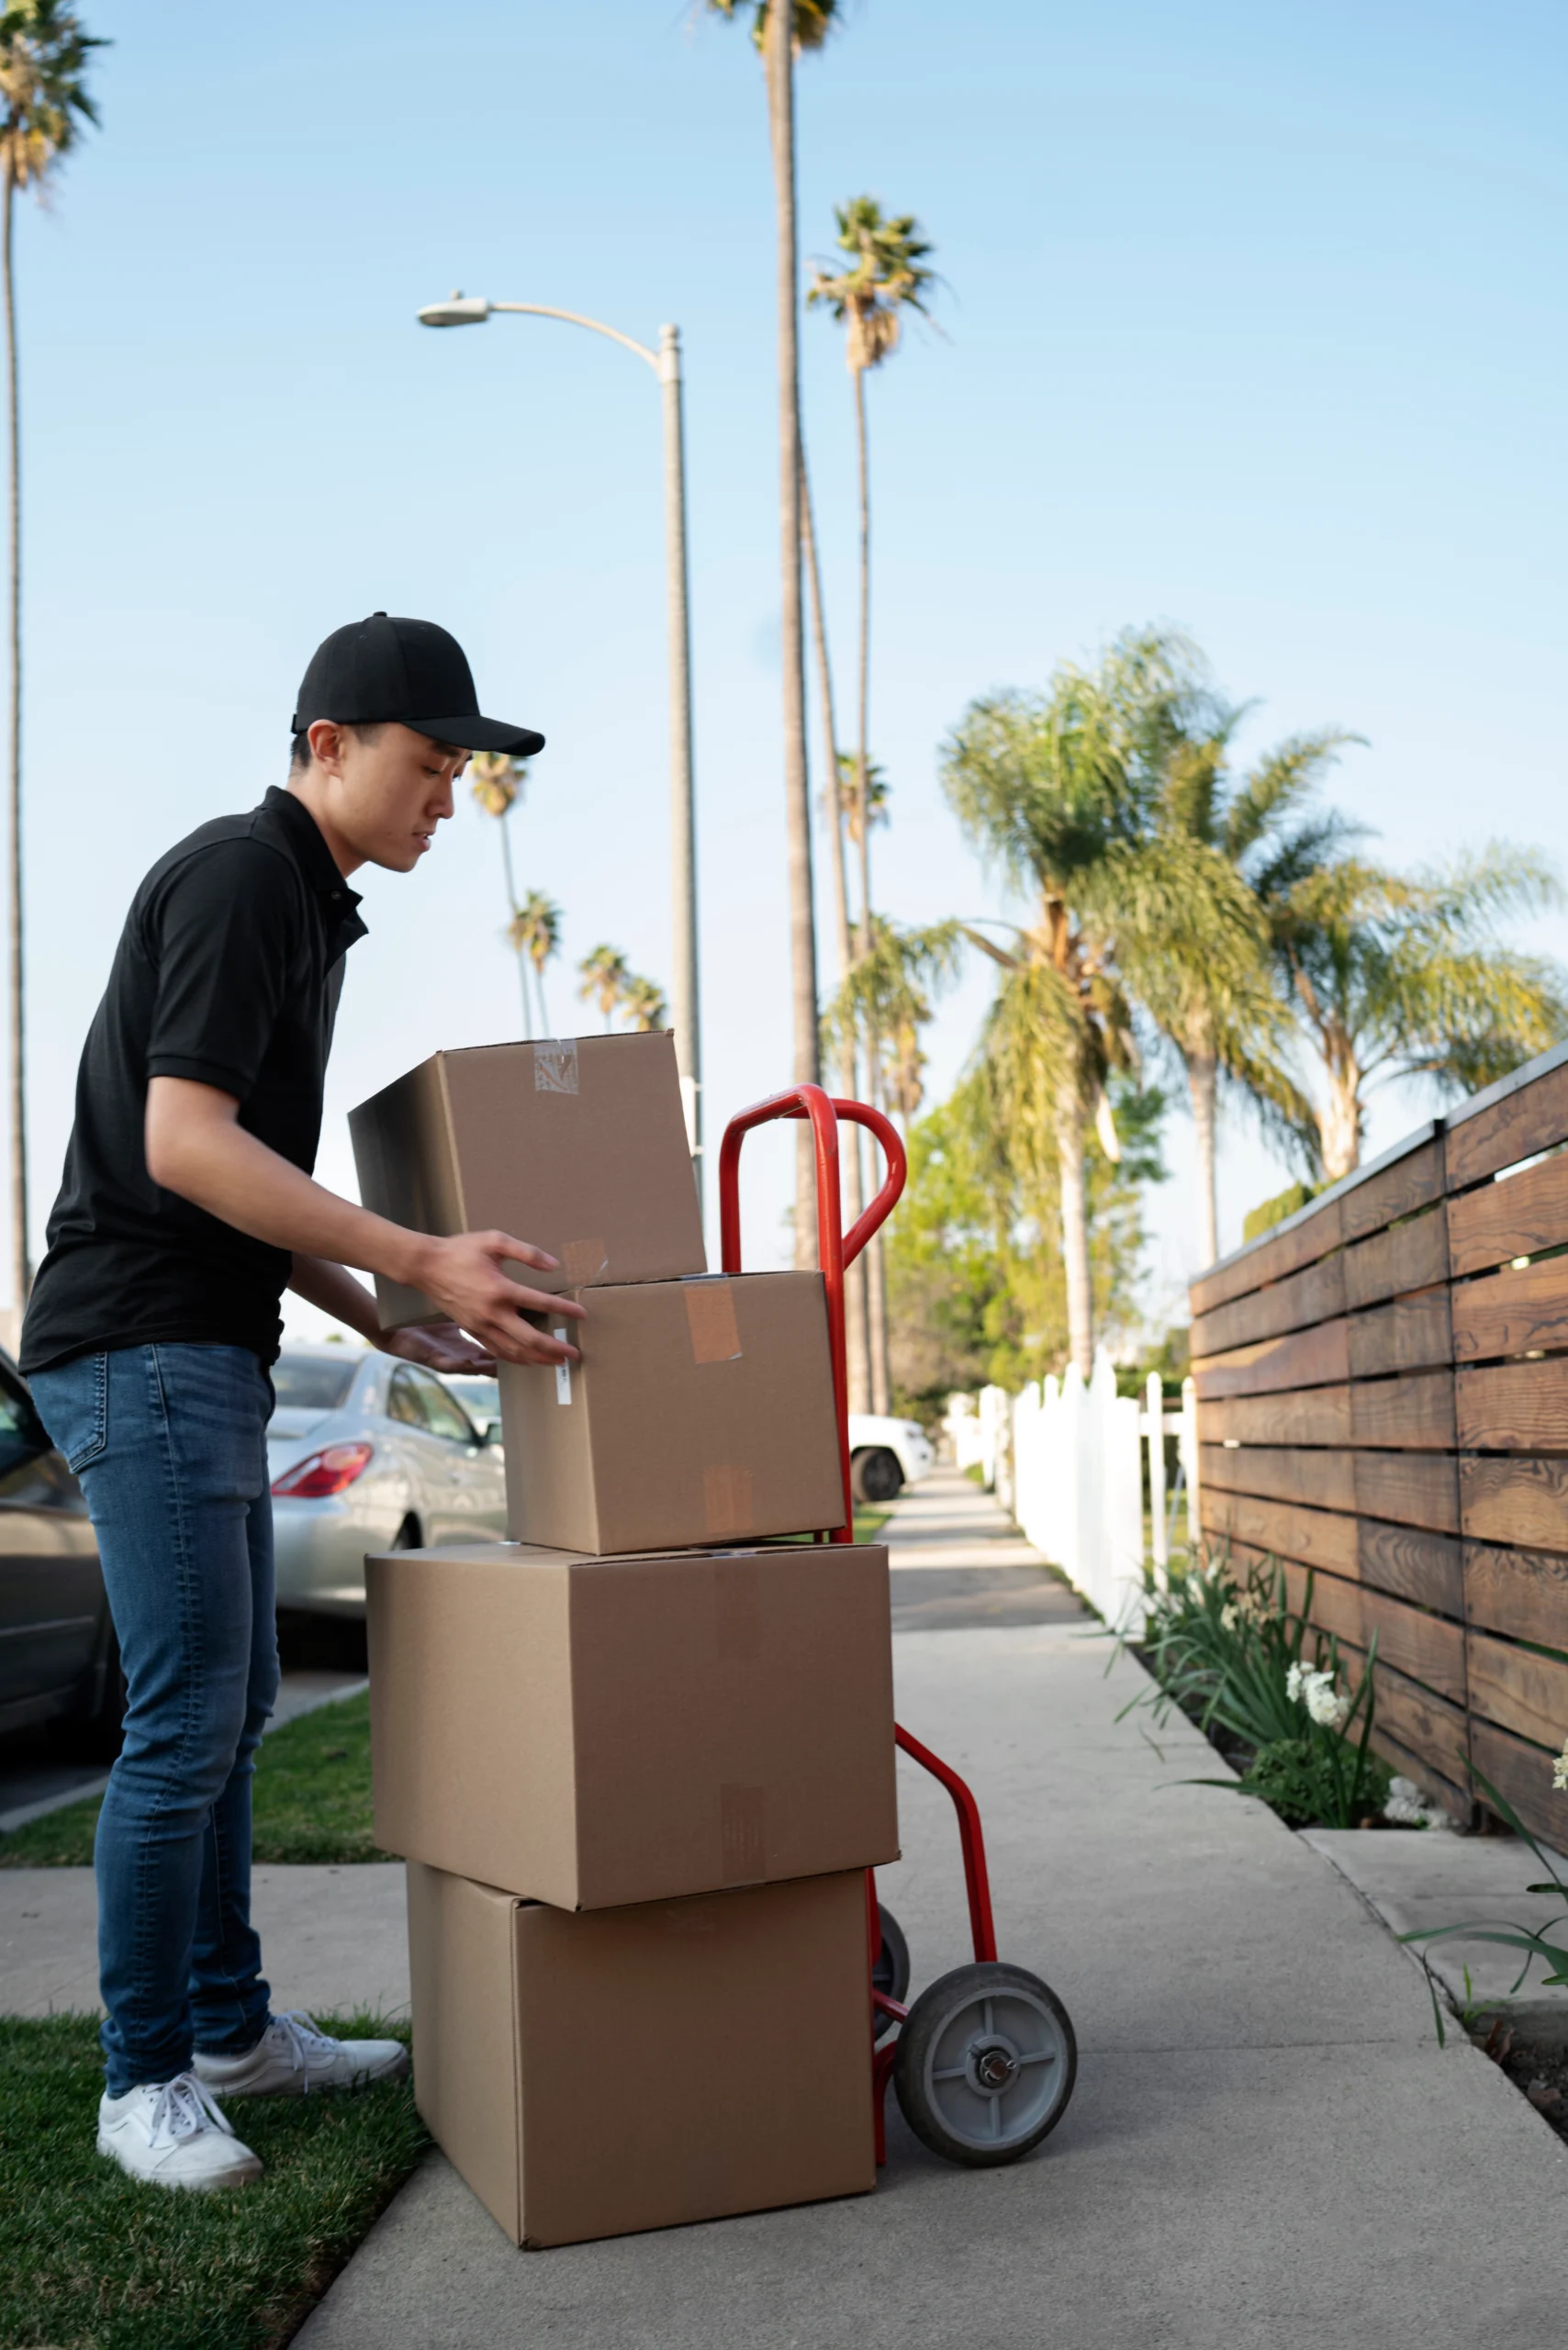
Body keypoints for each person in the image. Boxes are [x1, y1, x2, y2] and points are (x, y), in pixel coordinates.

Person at [19, 612, 583, 2190]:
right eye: (430, 763)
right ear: (328, 745)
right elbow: (185, 1145)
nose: (450, 800)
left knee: (231, 1705)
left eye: (466, 772)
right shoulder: (240, 876)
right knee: (188, 1715)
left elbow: (248, 1197)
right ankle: (146, 2084)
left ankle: (228, 2030)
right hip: (138, 1343)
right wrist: (417, 1251)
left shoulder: (307, 903)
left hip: (195, 1337)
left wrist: (392, 1315)